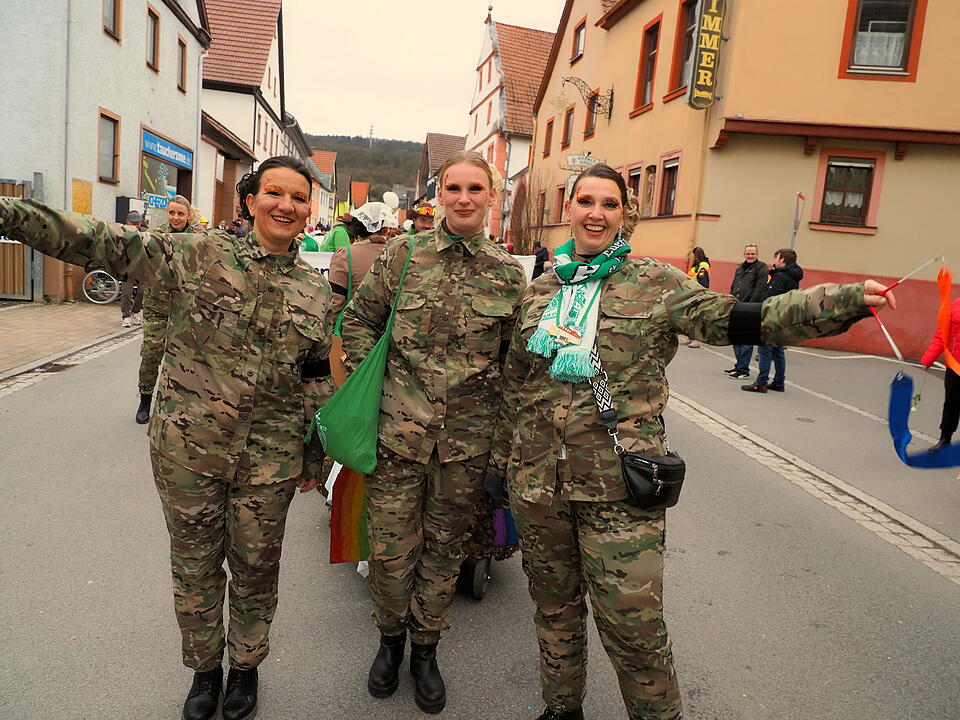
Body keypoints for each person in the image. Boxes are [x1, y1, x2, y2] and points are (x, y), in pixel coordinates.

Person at [485, 162, 894, 720]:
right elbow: (516, 385)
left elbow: (740, 319)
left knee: (635, 631)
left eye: (609, 204)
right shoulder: (541, 291)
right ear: (570, 209)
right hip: (539, 489)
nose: (596, 214)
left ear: (625, 215)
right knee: (554, 613)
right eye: (585, 201)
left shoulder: (656, 283)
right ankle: (562, 710)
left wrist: (842, 302)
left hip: (619, 492)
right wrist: (500, 466)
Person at [0, 155, 333, 720]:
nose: (286, 205)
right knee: (195, 565)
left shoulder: (315, 292)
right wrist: (11, 215)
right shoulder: (196, 254)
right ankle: (204, 671)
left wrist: (314, 454)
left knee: (257, 567)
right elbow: (102, 242)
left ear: (309, 211)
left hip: (269, 459)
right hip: (189, 451)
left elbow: (316, 378)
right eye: (274, 192)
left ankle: (245, 668)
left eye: (299, 197)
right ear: (250, 201)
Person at [340, 150, 525, 714]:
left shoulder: (508, 274)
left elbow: (516, 366)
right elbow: (359, 319)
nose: (464, 198)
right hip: (397, 438)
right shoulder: (404, 255)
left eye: (475, 189)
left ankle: (426, 651)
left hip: (466, 448)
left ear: (492, 197)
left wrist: (504, 451)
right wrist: (369, 385)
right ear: (438, 195)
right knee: (391, 551)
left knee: (444, 554)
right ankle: (389, 642)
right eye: (454, 188)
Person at [134, 194, 196, 424]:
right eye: (172, 213)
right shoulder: (155, 236)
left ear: (188, 215)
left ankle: (178, 405)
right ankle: (145, 399)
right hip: (156, 307)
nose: (176, 217)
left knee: (184, 359)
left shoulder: (197, 240)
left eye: (180, 213)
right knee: (151, 354)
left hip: (185, 309)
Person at [742, 248, 804, 393]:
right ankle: (779, 381)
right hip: (784, 317)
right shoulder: (792, 275)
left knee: (765, 349)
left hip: (773, 317)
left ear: (782, 260)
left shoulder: (781, 276)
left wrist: (761, 308)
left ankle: (761, 382)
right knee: (778, 351)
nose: (775, 260)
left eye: (777, 257)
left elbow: (771, 296)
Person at [920, 296, 960, 453]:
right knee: (951, 404)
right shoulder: (955, 306)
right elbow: (942, 334)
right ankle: (945, 439)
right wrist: (928, 358)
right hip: (955, 366)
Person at [724, 243, 768, 379]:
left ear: (757, 254)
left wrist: (750, 304)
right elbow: (734, 285)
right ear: (744, 254)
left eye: (752, 254)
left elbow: (760, 287)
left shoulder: (761, 268)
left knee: (746, 340)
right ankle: (739, 365)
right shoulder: (740, 268)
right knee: (736, 337)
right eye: (748, 253)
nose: (750, 256)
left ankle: (743, 369)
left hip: (750, 308)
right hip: (737, 305)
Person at [119, 210, 145, 328]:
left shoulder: (145, 233)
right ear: (127, 222)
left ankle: (135, 312)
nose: (135, 225)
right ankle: (126, 316)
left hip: (141, 267)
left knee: (142, 292)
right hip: (127, 267)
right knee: (127, 293)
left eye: (137, 223)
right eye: (132, 223)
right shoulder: (121, 232)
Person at [683, 247, 711, 347]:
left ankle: (697, 340)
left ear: (696, 256)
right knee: (690, 317)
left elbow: (703, 281)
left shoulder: (703, 265)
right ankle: (690, 337)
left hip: (698, 294)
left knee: (697, 317)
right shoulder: (696, 265)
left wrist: (700, 294)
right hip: (692, 294)